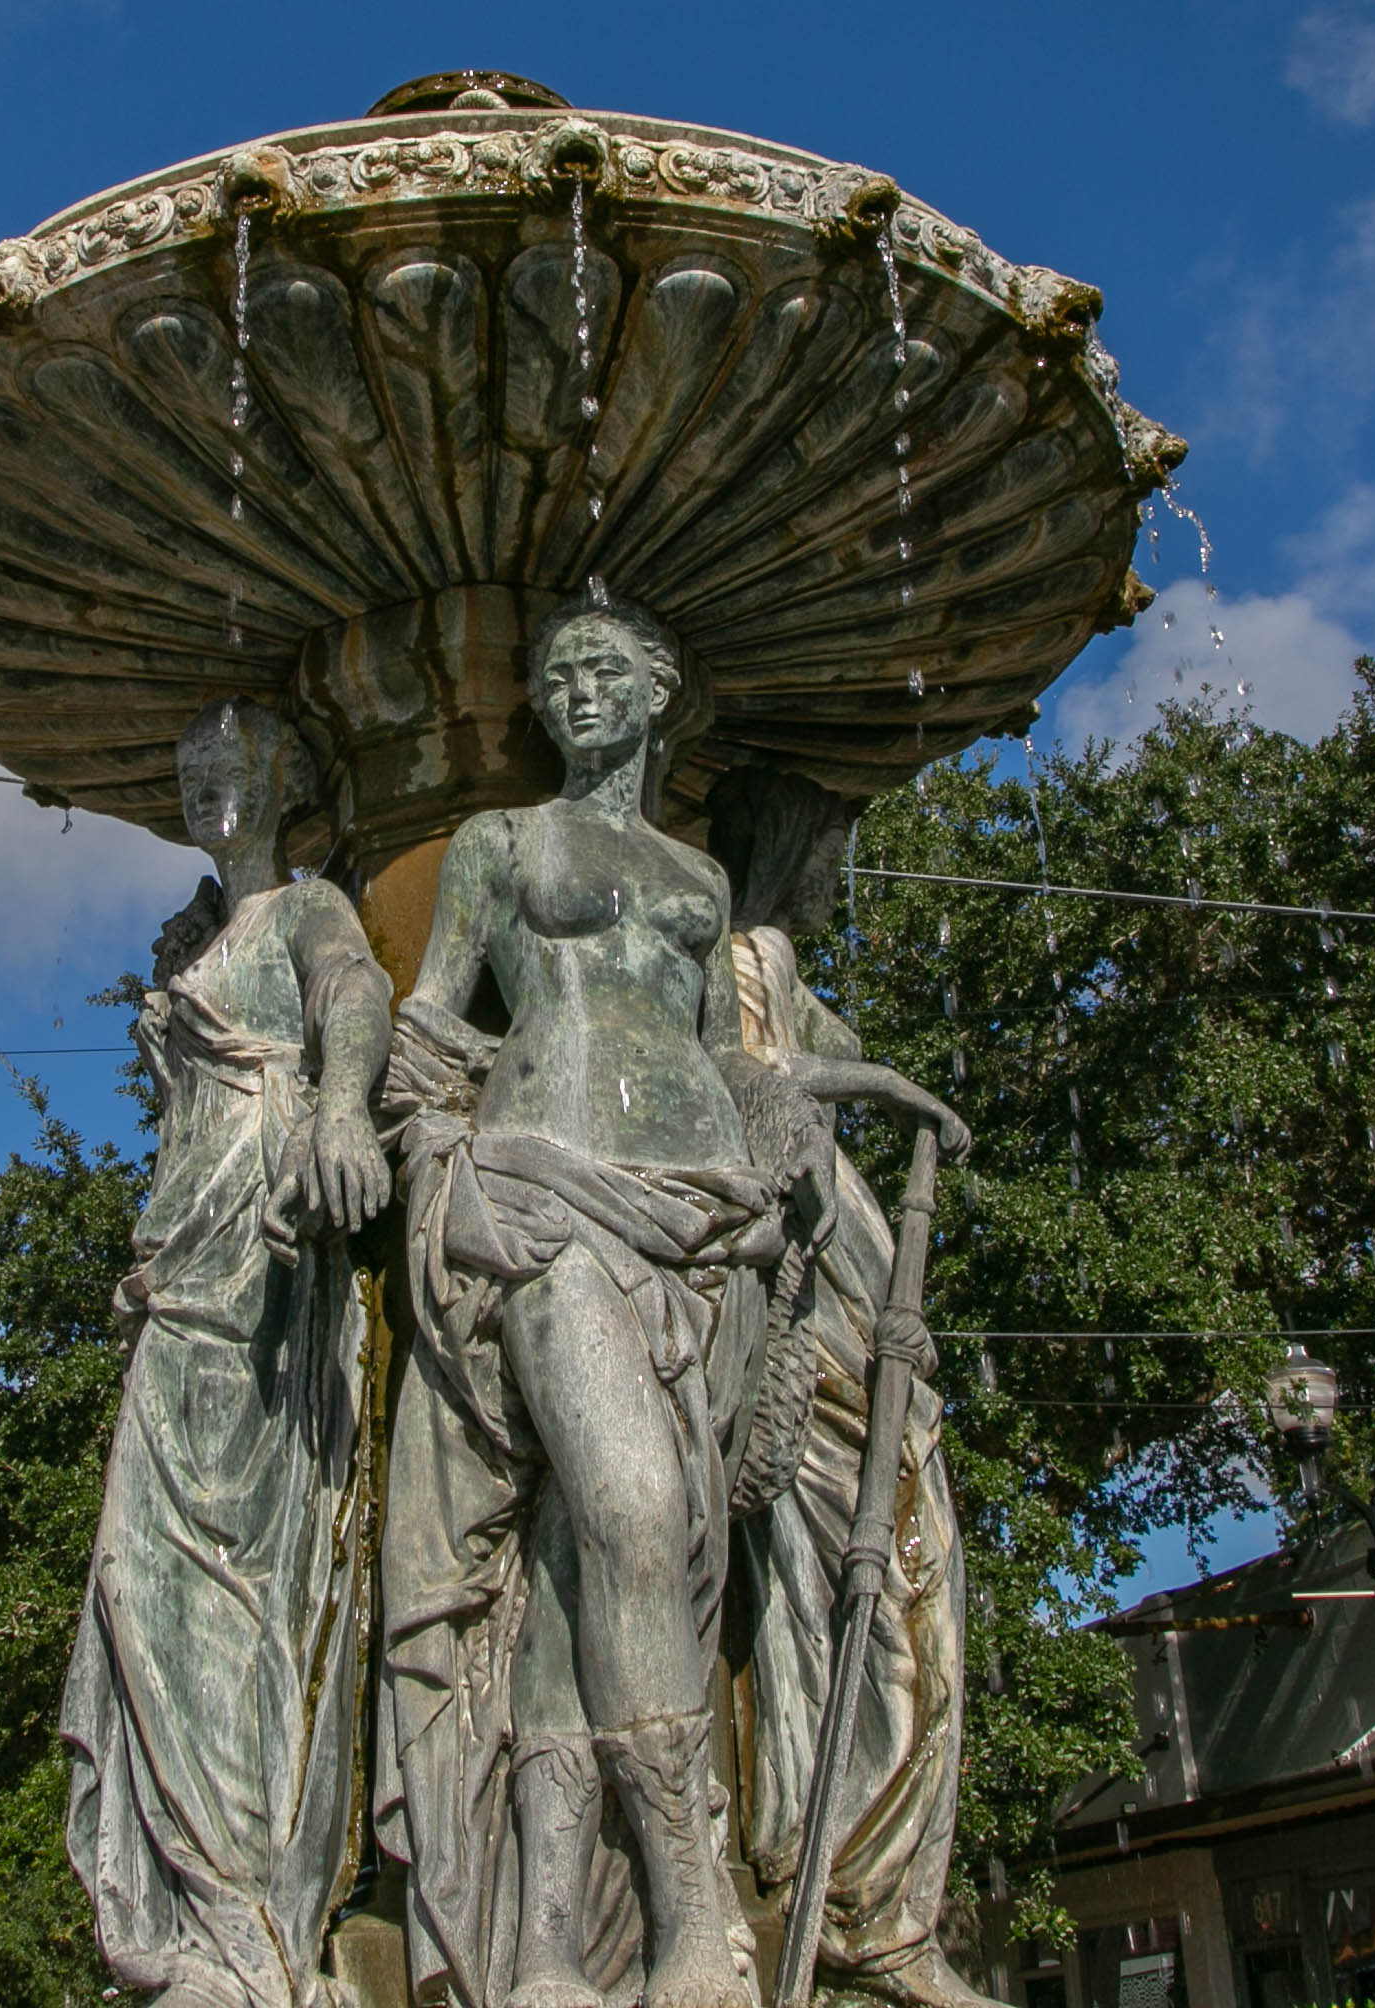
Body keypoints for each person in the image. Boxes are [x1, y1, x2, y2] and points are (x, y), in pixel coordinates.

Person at [374, 601, 966, 2008]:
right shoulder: (500, 844)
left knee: (610, 1562)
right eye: (557, 675)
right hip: (553, 1190)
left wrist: (858, 1104)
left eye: (605, 673)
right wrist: (423, 1169)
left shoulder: (697, 877)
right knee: (638, 1515)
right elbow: (434, 1024)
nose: (577, 693)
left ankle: (544, 1951)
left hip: (712, 1224)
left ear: (658, 694)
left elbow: (732, 1062)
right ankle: (695, 1909)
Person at [63, 700, 393, 2008]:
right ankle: (192, 1908)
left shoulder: (309, 909)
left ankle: (253, 1905)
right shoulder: (197, 934)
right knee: (139, 1579)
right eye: (193, 774)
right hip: (179, 1255)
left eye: (231, 768)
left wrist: (343, 1106)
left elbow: (358, 996)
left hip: (271, 1235)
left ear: (283, 778)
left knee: (257, 1580)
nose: (209, 791)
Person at [704, 764, 1003, 2008]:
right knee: (859, 1609)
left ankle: (887, 1910)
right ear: (784, 843)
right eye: (832, 850)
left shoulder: (782, 970)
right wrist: (880, 1087)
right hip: (796, 1335)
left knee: (924, 1601)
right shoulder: (719, 953)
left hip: (865, 1332)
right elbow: (725, 1080)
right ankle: (846, 1903)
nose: (842, 881)